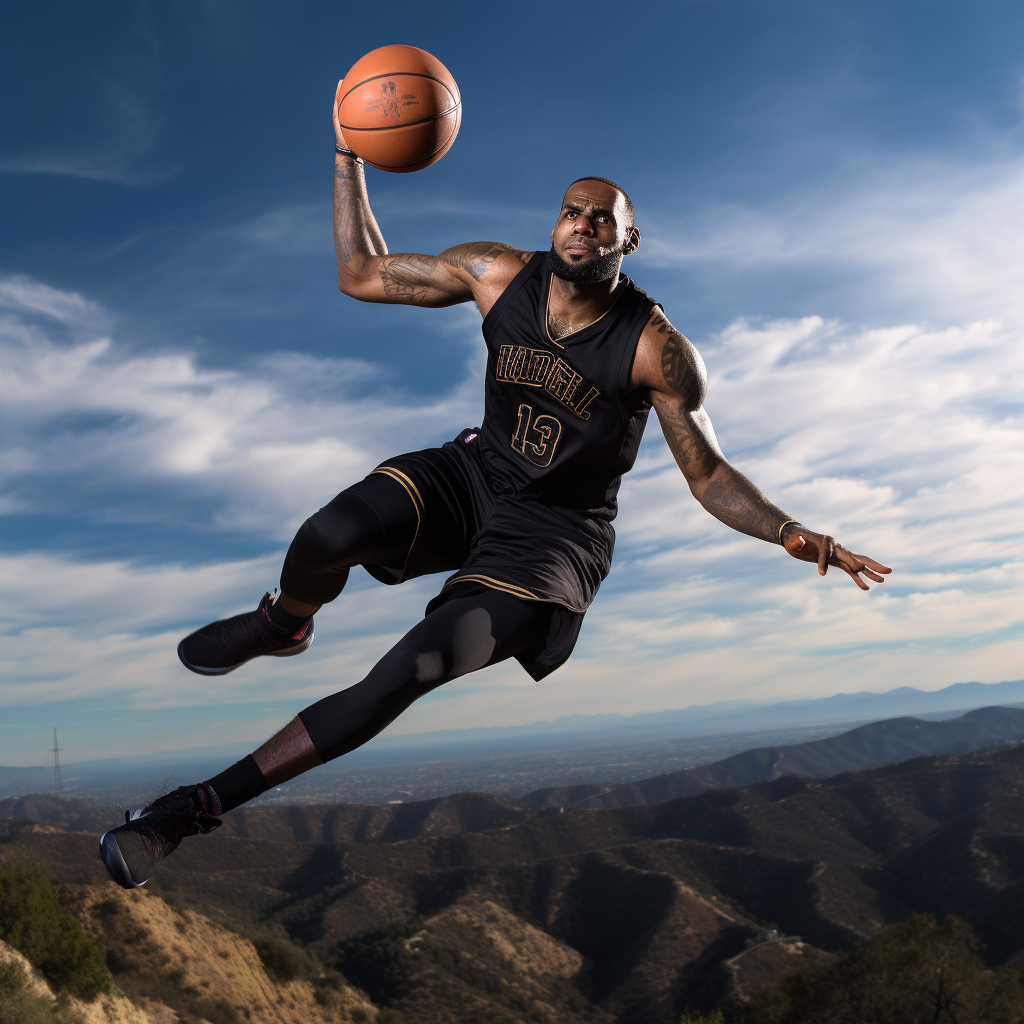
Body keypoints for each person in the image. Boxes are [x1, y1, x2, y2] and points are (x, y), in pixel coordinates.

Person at [98, 84, 891, 889]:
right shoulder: (495, 273)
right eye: (570, 210)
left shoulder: (656, 348)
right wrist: (348, 155)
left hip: (553, 538)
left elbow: (709, 472)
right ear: (555, 224)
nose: (582, 222)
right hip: (476, 475)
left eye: (601, 216)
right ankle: (284, 624)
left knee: (411, 668)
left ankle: (190, 810)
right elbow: (360, 273)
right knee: (325, 536)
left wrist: (792, 530)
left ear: (630, 239)